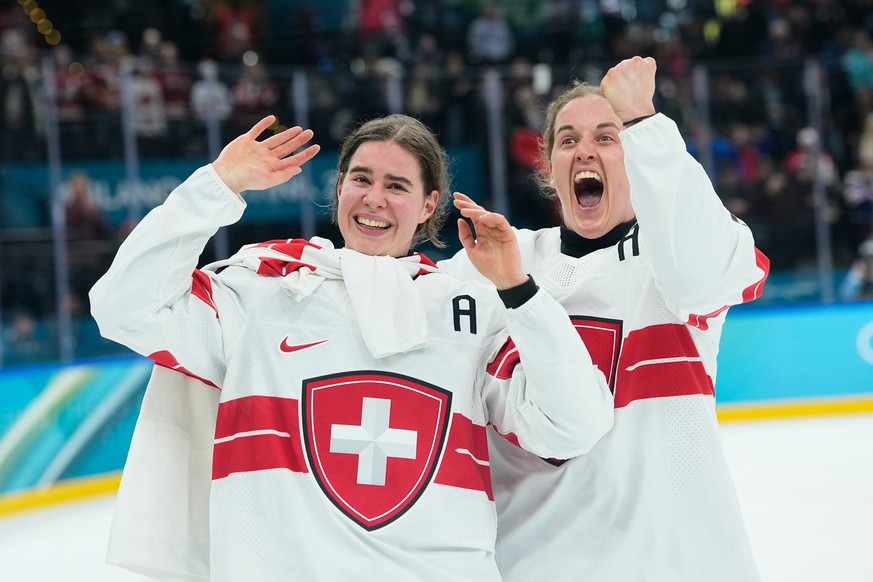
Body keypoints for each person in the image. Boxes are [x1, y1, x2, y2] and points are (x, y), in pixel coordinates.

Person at [90, 114, 614, 581]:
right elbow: (124, 308)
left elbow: (575, 424)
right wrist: (217, 185)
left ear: (430, 204)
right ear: (339, 187)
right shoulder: (261, 288)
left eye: (397, 185)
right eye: (360, 179)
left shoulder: (470, 307)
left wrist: (518, 290)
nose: (374, 198)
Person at [440, 56, 770, 581]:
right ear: (548, 165)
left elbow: (706, 274)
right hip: (534, 564)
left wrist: (645, 122)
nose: (584, 150)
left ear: (637, 153)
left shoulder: (671, 260)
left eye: (608, 136)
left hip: (676, 565)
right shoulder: (493, 263)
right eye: (567, 140)